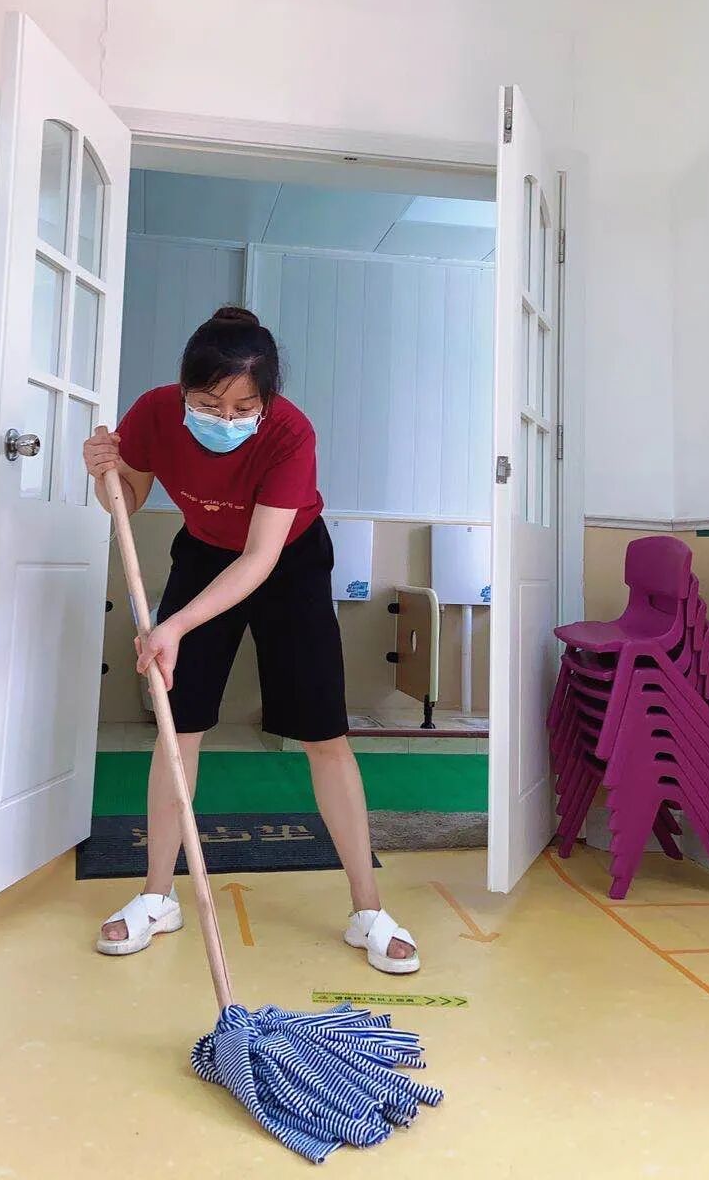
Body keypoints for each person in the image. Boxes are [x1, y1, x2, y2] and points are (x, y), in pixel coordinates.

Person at [82, 306, 419, 974]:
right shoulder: (153, 413)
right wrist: (104, 473)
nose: (225, 418)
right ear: (183, 390)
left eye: (244, 408)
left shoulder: (290, 433)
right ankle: (157, 898)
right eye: (208, 404)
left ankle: (368, 910)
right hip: (204, 554)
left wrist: (174, 624)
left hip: (287, 560)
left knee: (323, 734)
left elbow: (260, 558)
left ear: (267, 401)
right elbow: (129, 500)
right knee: (178, 726)